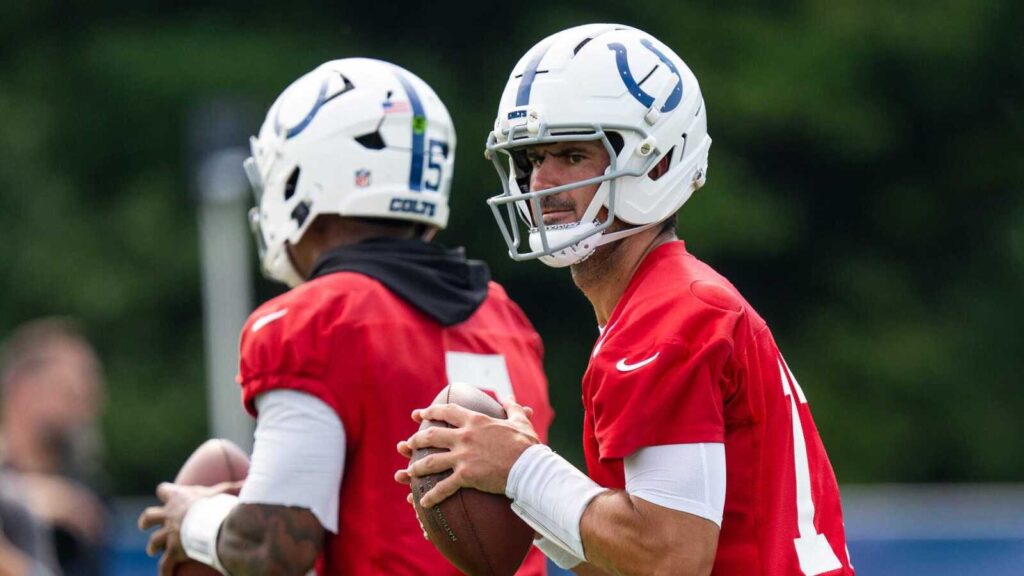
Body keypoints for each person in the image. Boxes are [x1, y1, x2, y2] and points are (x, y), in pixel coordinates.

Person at [397, 24, 855, 576]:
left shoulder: (669, 314)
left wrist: (520, 467)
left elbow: (672, 557)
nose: (540, 182)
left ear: (657, 162)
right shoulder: (662, 304)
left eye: (571, 155)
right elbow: (636, 562)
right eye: (530, 159)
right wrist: (520, 488)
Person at [138, 58, 553, 576]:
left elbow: (275, 546)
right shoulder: (506, 317)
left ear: (304, 177)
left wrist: (195, 520)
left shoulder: (315, 320)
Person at [0, 318, 108, 576]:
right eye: (69, 391)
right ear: (22, 389)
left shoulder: (83, 489)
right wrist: (24, 496)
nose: (89, 403)